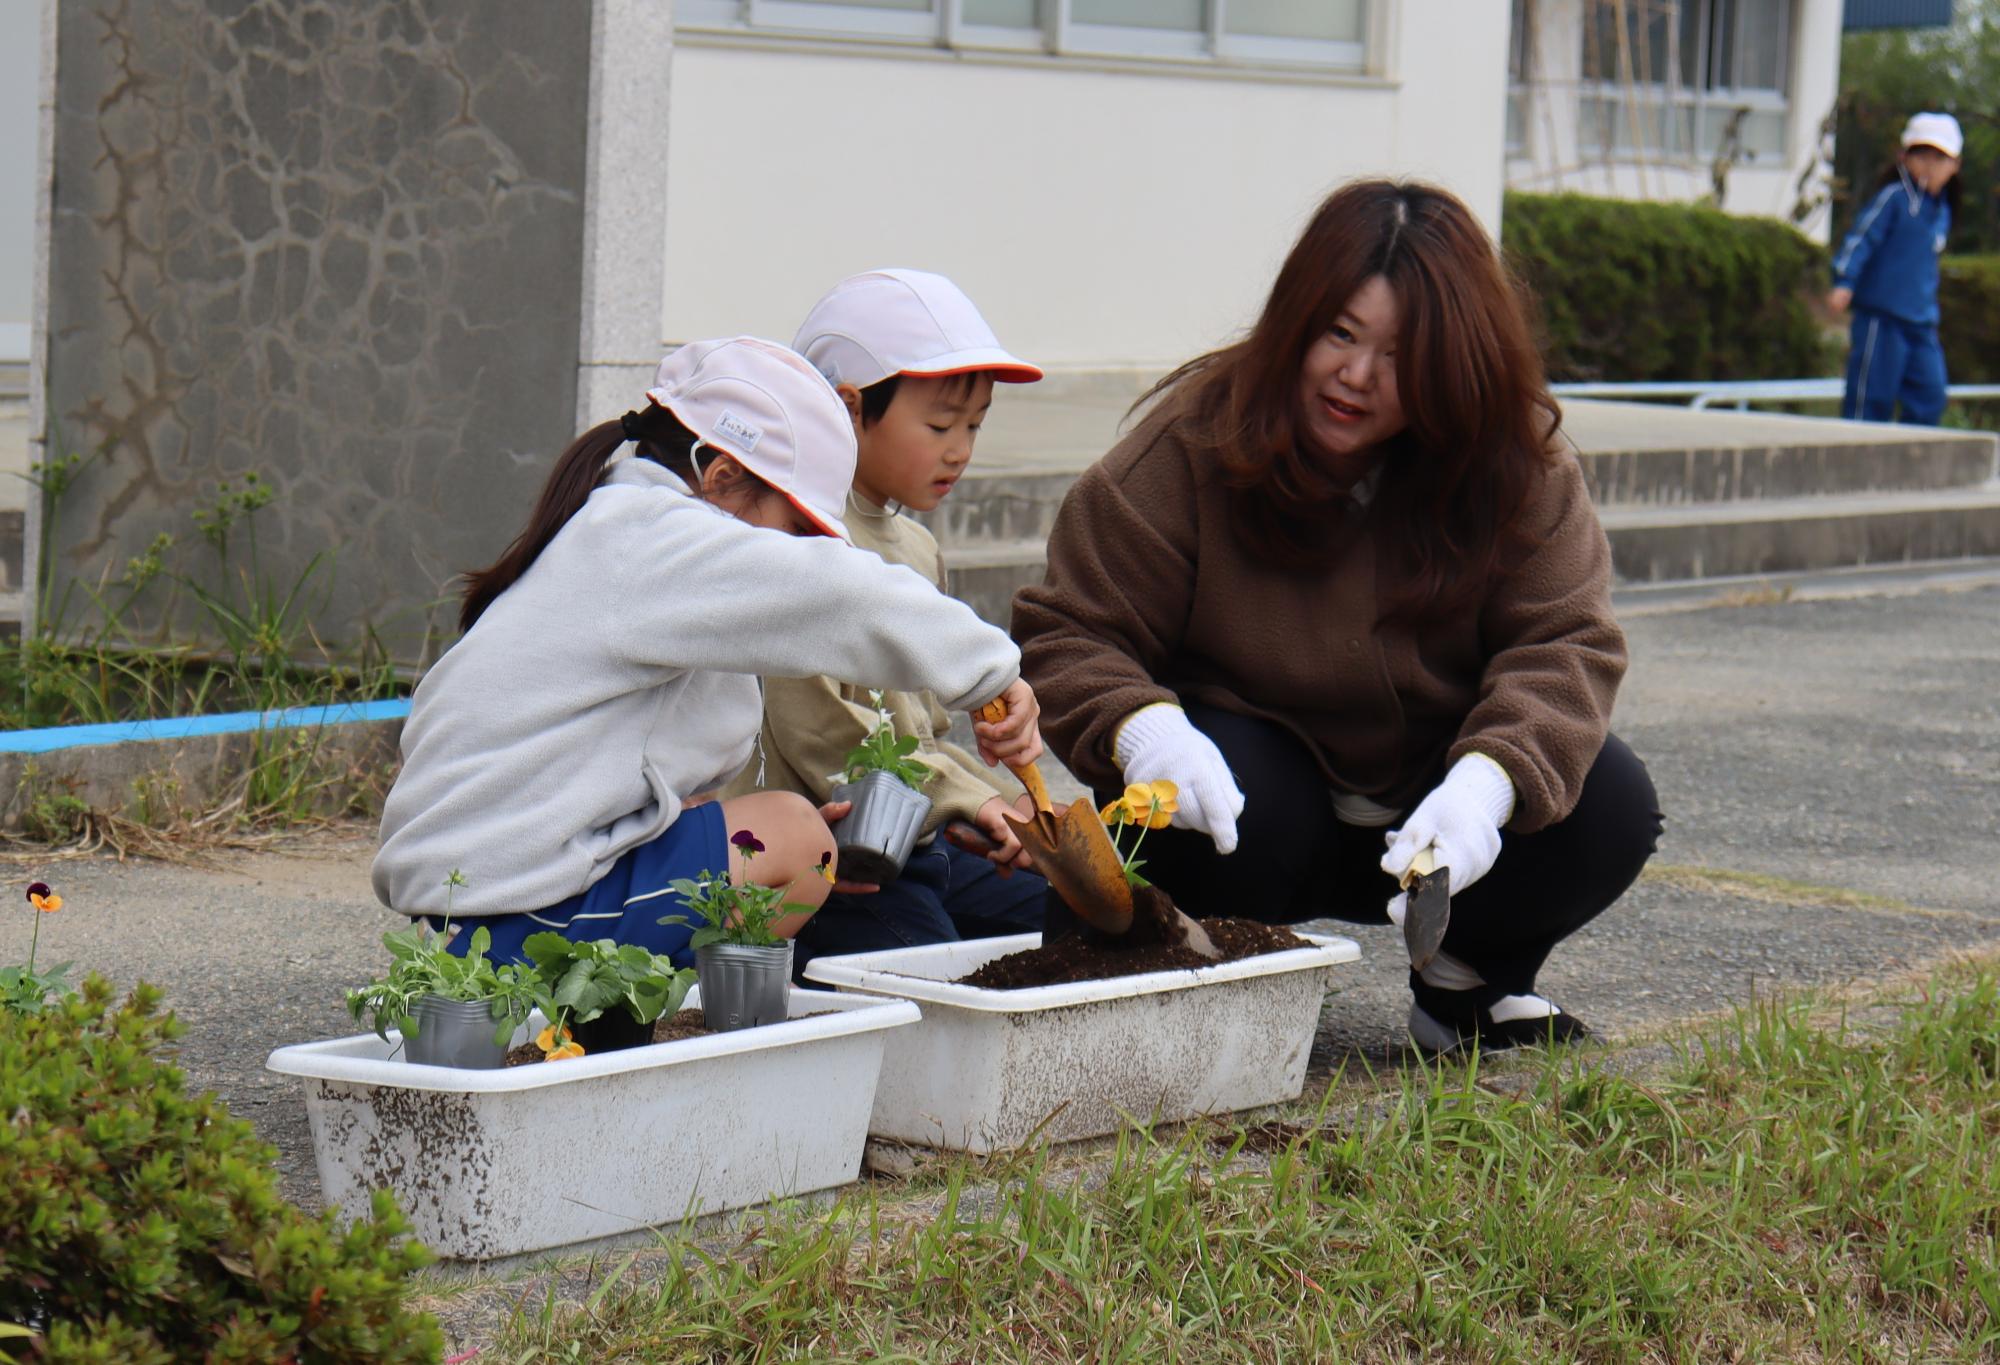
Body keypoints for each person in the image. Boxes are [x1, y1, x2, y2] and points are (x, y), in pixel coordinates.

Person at [1012, 179, 1662, 1053]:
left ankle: (1464, 983)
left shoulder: (1518, 462)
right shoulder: (1194, 441)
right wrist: (1147, 733)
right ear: (1296, 321)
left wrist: (1482, 789)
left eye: (1399, 355)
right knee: (1226, 789)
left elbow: (1566, 641)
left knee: (1609, 801)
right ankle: (1196, 971)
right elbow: (1070, 628)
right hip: (1252, 812)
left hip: (1429, 807)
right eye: (1340, 334)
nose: (1356, 376)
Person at [372, 336, 1043, 967]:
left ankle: (631, 1010)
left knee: (785, 838)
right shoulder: (652, 539)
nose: (796, 550)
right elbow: (841, 595)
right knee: (795, 838)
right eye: (794, 530)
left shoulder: (619, 529)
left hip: (493, 898)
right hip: (514, 911)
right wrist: (990, 674)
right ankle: (639, 1019)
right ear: (720, 476)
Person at [725, 269, 1051, 980]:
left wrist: (996, 810)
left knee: (1063, 919)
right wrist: (973, 799)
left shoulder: (919, 548)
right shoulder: (797, 534)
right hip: (835, 854)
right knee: (931, 974)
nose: (959, 449)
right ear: (848, 409)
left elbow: (925, 736)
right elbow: (822, 740)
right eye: (939, 425)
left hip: (915, 837)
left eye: (974, 425)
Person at [1829, 112, 1963, 426]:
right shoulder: (1893, 198)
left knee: (1929, 395)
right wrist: (1845, 280)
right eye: (1922, 156)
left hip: (1921, 321)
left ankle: (1914, 453)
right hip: (1882, 318)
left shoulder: (1942, 210)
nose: (1930, 166)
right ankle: (1858, 452)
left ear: (1955, 165)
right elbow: (1862, 238)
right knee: (1870, 399)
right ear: (1904, 158)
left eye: (1940, 159)